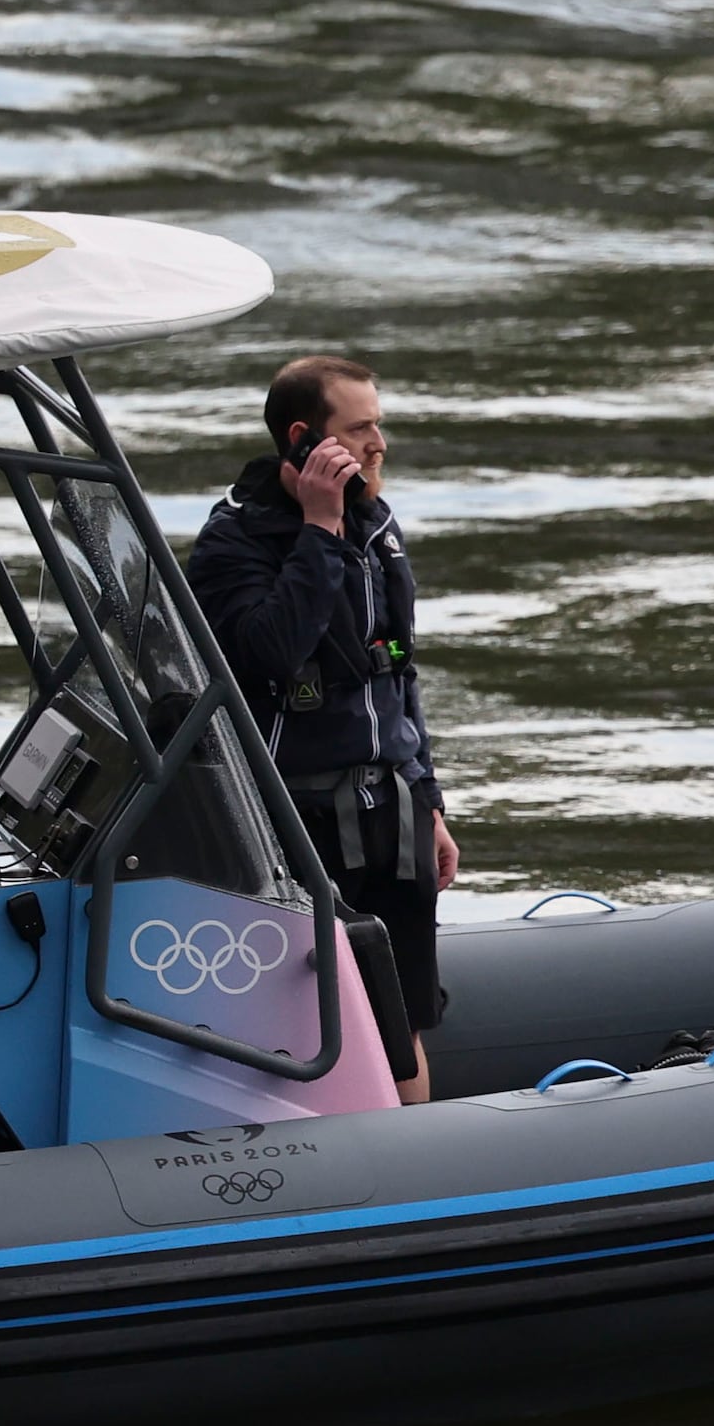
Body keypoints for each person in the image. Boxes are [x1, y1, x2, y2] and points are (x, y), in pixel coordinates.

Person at [184, 352, 453, 1105]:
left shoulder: (379, 524)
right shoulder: (233, 541)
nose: (379, 444)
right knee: (309, 1024)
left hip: (387, 811)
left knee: (404, 1026)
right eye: (360, 429)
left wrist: (426, 798)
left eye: (380, 425)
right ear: (303, 440)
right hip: (293, 825)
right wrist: (320, 530)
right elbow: (271, 652)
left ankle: (415, 1181)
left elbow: (398, 672)